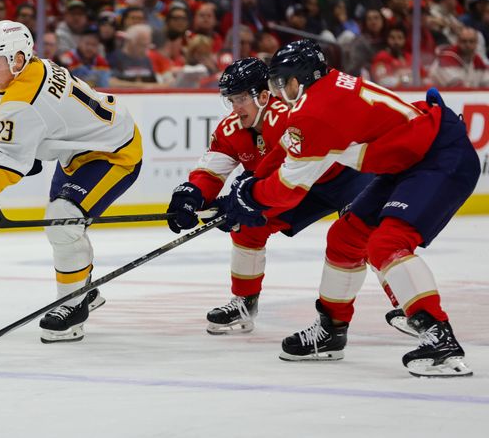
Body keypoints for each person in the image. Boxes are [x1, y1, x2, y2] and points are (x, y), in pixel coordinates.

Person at [217, 40, 479, 377]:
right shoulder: (321, 91)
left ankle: (439, 339)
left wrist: (250, 197)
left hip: (440, 157)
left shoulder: (316, 112)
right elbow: (284, 151)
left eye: (283, 83)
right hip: (407, 160)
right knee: (345, 236)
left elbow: (287, 191)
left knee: (387, 244)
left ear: (298, 80)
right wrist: (247, 186)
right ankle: (331, 332)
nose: (279, 91)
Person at [0, 20, 142, 343]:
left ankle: (72, 307)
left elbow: (6, 158)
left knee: (62, 221)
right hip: (82, 150)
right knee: (65, 223)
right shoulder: (37, 67)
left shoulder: (21, 99)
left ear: (18, 59)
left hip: (114, 154)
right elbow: (53, 122)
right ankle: (82, 291)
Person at [167, 57, 373, 335]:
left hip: (347, 177)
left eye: (241, 98)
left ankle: (410, 309)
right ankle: (245, 302)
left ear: (264, 96)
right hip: (292, 184)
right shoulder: (232, 128)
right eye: (230, 99)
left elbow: (287, 179)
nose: (235, 108)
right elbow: (211, 170)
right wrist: (193, 194)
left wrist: (237, 204)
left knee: (366, 238)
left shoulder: (289, 117)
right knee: (247, 227)